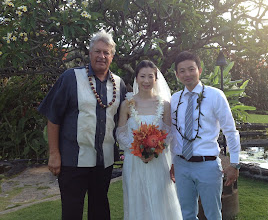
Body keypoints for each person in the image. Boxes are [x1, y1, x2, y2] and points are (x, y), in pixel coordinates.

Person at [38, 30, 127, 220]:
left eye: (106, 52)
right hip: (72, 160)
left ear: (112, 56)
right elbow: (53, 117)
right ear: (90, 53)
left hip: (104, 163)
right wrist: (54, 154)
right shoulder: (70, 78)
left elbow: (123, 123)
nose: (101, 56)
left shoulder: (119, 84)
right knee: (71, 212)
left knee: (100, 210)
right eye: (98, 51)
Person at [170, 51, 241, 220]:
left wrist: (235, 163)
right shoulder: (175, 99)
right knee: (186, 214)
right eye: (182, 71)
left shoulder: (215, 96)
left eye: (191, 69)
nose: (187, 74)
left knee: (213, 214)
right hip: (181, 165)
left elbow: (230, 130)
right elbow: (173, 133)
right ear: (177, 74)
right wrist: (173, 160)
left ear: (199, 70)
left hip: (207, 165)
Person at [116, 60, 183, 220]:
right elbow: (121, 133)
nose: (146, 81)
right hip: (134, 161)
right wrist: (138, 150)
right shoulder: (127, 104)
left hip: (158, 161)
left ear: (156, 79)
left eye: (150, 76)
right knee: (138, 201)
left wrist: (155, 150)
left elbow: (168, 133)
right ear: (136, 78)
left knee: (160, 199)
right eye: (142, 76)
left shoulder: (164, 105)